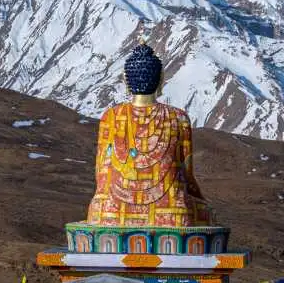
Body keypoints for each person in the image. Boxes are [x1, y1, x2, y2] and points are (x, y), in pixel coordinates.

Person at [85, 43, 211, 227]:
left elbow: (101, 173)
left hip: (111, 211)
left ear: (126, 80)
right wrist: (201, 199)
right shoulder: (178, 117)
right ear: (161, 79)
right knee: (203, 213)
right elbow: (186, 174)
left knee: (99, 207)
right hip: (172, 211)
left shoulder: (111, 116)